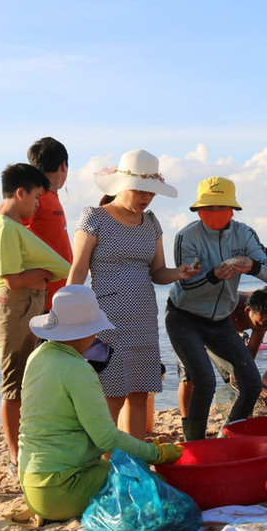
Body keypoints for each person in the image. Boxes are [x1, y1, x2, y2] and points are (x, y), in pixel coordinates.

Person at [18, 285, 183, 523]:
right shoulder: (79, 370)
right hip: (61, 488)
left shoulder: (38, 355)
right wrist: (156, 454)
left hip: (31, 485)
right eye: (94, 332)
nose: (97, 338)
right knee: (157, 484)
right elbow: (106, 438)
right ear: (84, 333)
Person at [67, 149, 198, 441]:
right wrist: (66, 316)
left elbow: (158, 272)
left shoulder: (150, 223)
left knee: (139, 392)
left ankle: (134, 462)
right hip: (106, 319)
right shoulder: (94, 217)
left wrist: (179, 273)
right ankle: (102, 461)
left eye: (151, 193)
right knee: (110, 394)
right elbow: (78, 270)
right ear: (120, 186)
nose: (146, 198)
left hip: (143, 319)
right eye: (141, 190)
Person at [165, 176, 267, 441]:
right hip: (184, 316)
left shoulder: (244, 233)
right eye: (209, 208)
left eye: (221, 208)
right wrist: (214, 274)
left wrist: (251, 266)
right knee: (203, 380)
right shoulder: (186, 236)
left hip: (218, 321)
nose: (215, 214)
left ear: (232, 209)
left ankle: (226, 438)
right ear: (199, 210)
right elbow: (188, 286)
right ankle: (195, 444)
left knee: (250, 384)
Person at [0, 163, 72, 475]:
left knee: (27, 382)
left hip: (24, 306)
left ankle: (25, 450)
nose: (38, 204)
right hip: (15, 307)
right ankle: (15, 458)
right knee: (14, 387)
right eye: (36, 197)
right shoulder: (6, 227)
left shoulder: (13, 226)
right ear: (20, 193)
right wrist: (46, 273)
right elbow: (11, 278)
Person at [177, 286, 267, 417]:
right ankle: (187, 424)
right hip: (188, 321)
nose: (264, 329)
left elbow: (248, 359)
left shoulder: (262, 315)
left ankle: (239, 419)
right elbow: (223, 353)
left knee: (241, 380)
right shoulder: (226, 308)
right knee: (189, 379)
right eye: (261, 325)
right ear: (247, 311)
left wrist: (258, 385)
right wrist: (259, 389)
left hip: (219, 330)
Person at [25, 137, 74, 311]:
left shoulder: (50, 196)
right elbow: (5, 219)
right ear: (63, 165)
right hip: (42, 300)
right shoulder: (37, 196)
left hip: (58, 298)